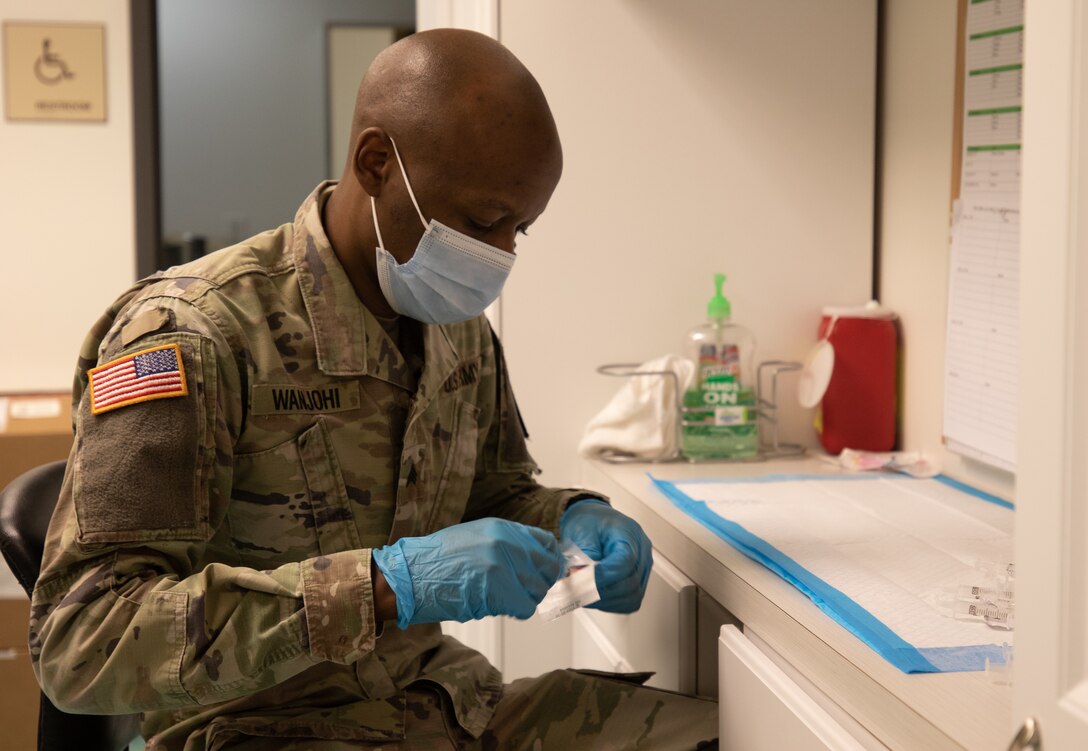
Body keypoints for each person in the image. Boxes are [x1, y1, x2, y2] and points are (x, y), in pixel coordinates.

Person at [30, 29, 718, 750]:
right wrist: (382, 586)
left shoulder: (457, 332)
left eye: (522, 229)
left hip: (451, 708)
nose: (502, 254)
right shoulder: (194, 334)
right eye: (484, 221)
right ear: (377, 162)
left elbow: (493, 494)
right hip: (257, 727)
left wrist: (570, 519)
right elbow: (82, 642)